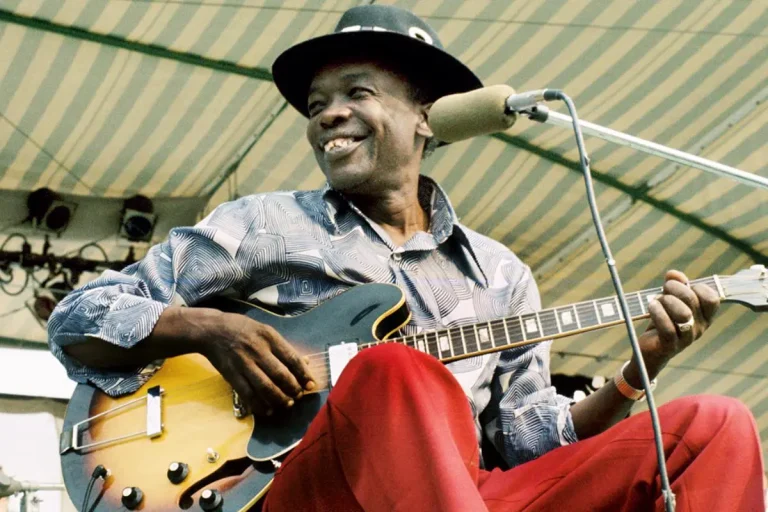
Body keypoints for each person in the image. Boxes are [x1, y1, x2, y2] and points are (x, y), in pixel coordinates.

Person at [48, 5, 764, 511]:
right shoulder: (262, 222)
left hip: (463, 493)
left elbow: (527, 442)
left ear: (429, 117)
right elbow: (78, 317)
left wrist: (641, 370)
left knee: (715, 425)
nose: (327, 114)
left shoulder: (501, 273)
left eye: (357, 92)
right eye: (317, 104)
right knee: (394, 369)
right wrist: (211, 330)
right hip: (303, 490)